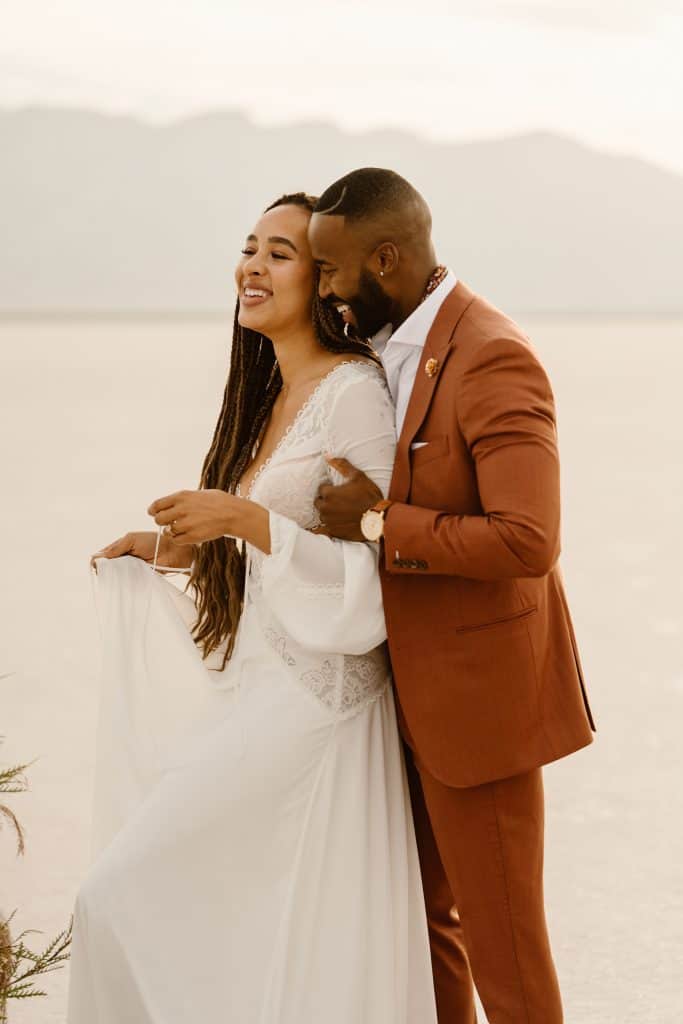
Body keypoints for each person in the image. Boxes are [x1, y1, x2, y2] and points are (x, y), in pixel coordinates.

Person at [66, 192, 438, 1023]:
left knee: (117, 892)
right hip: (256, 694)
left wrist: (248, 519)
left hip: (318, 707)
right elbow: (272, 552)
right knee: (216, 921)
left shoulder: (354, 394)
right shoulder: (268, 394)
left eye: (278, 253)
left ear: (322, 281)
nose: (252, 267)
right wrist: (175, 548)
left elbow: (383, 574)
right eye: (248, 247)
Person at [309, 167, 596, 1024]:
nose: (325, 291)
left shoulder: (493, 355)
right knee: (427, 930)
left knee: (505, 949)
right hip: (400, 701)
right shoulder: (384, 352)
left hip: (481, 709)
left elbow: (528, 539)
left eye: (331, 270)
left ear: (386, 259)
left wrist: (375, 525)